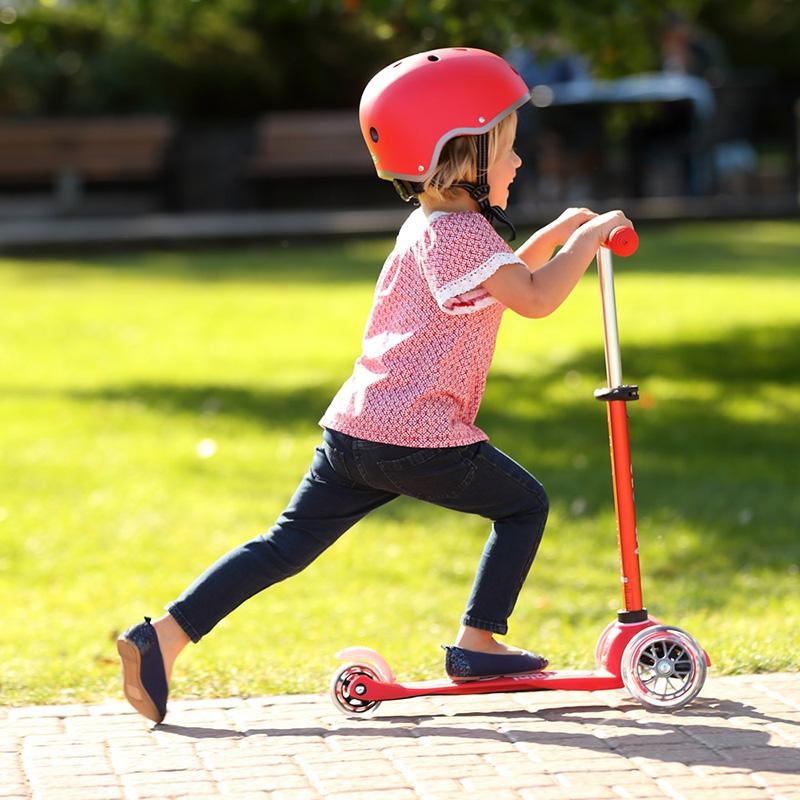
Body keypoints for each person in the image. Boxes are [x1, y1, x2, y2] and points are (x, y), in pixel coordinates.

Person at [117, 47, 633, 724]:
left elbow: (505, 278)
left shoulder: (437, 226)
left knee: (283, 546)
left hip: (357, 429)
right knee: (524, 506)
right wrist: (589, 239)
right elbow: (533, 298)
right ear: (462, 157)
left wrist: (556, 236)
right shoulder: (464, 235)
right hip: (417, 434)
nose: (516, 163)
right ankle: (478, 640)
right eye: (505, 150)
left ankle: (163, 638)